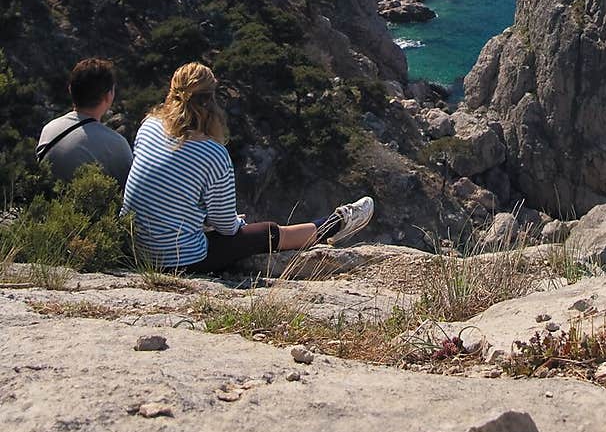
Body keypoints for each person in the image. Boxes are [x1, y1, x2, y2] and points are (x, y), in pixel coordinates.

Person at [122, 62, 373, 273]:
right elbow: (225, 227)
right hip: (177, 261)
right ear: (211, 101)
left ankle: (334, 223)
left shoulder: (150, 126)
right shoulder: (212, 152)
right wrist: (236, 224)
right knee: (266, 233)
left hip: (132, 246)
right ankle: (336, 223)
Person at [36, 57, 133, 189]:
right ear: (108, 96)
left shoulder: (49, 129)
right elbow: (132, 195)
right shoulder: (116, 146)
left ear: (71, 89)